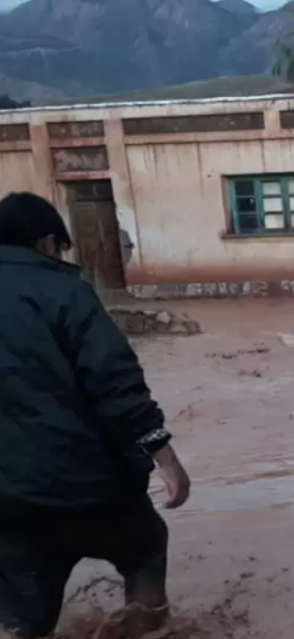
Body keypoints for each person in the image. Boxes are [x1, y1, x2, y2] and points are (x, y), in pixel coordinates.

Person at [0, 192, 191, 638]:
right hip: (85, 485)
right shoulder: (65, 293)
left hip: (5, 501)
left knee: (26, 615)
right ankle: (139, 626)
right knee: (145, 548)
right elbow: (114, 384)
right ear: (48, 243)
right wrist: (166, 458)